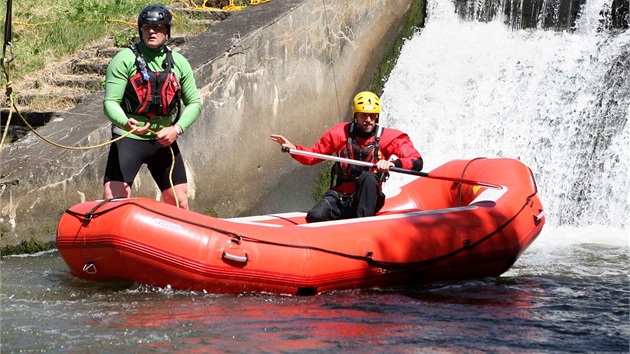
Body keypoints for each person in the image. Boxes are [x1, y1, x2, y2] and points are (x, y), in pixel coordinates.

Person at [102, 4, 202, 209]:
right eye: (147, 27)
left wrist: (176, 129)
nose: (152, 31)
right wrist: (124, 122)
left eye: (158, 27)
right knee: (115, 197)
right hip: (129, 137)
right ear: (140, 30)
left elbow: (195, 103)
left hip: (163, 140)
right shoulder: (123, 60)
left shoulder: (179, 63)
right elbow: (110, 103)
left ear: (167, 31)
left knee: (179, 199)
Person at [271, 91, 423, 222]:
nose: (368, 120)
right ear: (355, 115)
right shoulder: (339, 133)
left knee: (368, 178)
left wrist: (393, 164)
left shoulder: (390, 137)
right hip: (341, 195)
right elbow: (313, 156)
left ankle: (362, 227)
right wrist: (294, 149)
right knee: (315, 216)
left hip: (369, 198)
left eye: (372, 115)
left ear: (377, 116)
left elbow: (416, 160)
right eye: (363, 115)